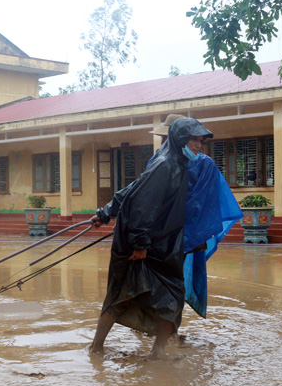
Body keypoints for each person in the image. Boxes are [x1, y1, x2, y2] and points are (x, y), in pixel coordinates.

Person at [89, 117, 214, 359]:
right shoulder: (165, 164)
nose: (199, 145)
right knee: (123, 294)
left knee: (173, 297)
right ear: (180, 139)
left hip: (165, 244)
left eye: (200, 141)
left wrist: (105, 213)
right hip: (144, 243)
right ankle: (96, 348)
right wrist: (139, 244)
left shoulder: (178, 164)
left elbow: (133, 188)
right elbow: (141, 204)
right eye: (194, 140)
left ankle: (158, 352)